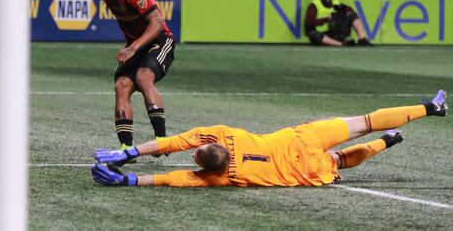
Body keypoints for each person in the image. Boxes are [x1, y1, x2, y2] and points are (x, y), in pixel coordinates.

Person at [92, 90, 448, 187]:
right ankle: (430, 108)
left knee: (341, 161)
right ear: (208, 146)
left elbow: (174, 178)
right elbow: (172, 144)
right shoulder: (224, 133)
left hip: (303, 171)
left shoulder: (217, 177)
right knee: (365, 121)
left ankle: (390, 140)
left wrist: (131, 180)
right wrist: (132, 152)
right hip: (301, 140)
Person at [90, 0, 175, 157]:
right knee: (121, 85)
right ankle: (126, 150)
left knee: (143, 77)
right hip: (136, 45)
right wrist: (133, 47)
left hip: (160, 40)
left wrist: (133, 47)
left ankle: (162, 142)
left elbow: (157, 23)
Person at [305, 0, 373, 47]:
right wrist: (326, 19)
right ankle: (343, 44)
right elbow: (310, 22)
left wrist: (343, 15)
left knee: (352, 15)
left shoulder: (336, 3)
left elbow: (350, 10)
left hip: (336, 32)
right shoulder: (314, 4)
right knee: (312, 35)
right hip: (323, 34)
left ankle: (362, 39)